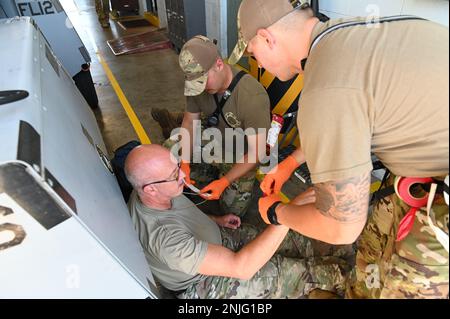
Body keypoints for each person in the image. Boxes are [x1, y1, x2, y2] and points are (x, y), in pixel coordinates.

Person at [229, 0, 449, 299]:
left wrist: (278, 212)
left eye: (254, 53)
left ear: (268, 38)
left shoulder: (326, 87)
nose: (258, 63)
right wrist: (291, 163)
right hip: (427, 173)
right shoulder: (350, 34)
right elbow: (349, 115)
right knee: (373, 255)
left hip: (440, 203)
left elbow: (341, 229)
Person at [125, 144, 352, 298]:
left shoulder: (153, 191)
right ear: (151, 189)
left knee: (295, 242)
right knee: (294, 272)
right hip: (204, 282)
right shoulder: (166, 241)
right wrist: (286, 213)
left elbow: (182, 216)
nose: (183, 175)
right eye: (175, 174)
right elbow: (240, 267)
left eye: (177, 166)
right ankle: (351, 277)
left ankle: (335, 255)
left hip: (218, 239)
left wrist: (216, 219)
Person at [154, 35, 271, 218]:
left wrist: (224, 181)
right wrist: (184, 162)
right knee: (167, 154)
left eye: (203, 81)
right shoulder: (196, 84)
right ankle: (205, 168)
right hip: (212, 139)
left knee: (231, 211)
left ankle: (213, 173)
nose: (199, 89)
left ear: (218, 64)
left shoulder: (252, 97)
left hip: (240, 154)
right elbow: (190, 122)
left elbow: (257, 152)